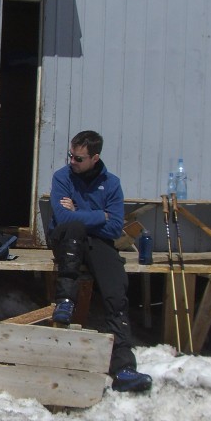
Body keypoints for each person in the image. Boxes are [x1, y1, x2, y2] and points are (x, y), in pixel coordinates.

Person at [48, 130, 152, 393]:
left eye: (79, 158)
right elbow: (62, 218)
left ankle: (124, 367)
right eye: (70, 155)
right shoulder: (62, 177)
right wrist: (99, 216)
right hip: (67, 238)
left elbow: (116, 227)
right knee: (73, 231)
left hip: (99, 242)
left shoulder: (112, 184)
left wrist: (80, 214)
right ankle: (66, 300)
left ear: (95, 158)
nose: (72, 161)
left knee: (116, 290)